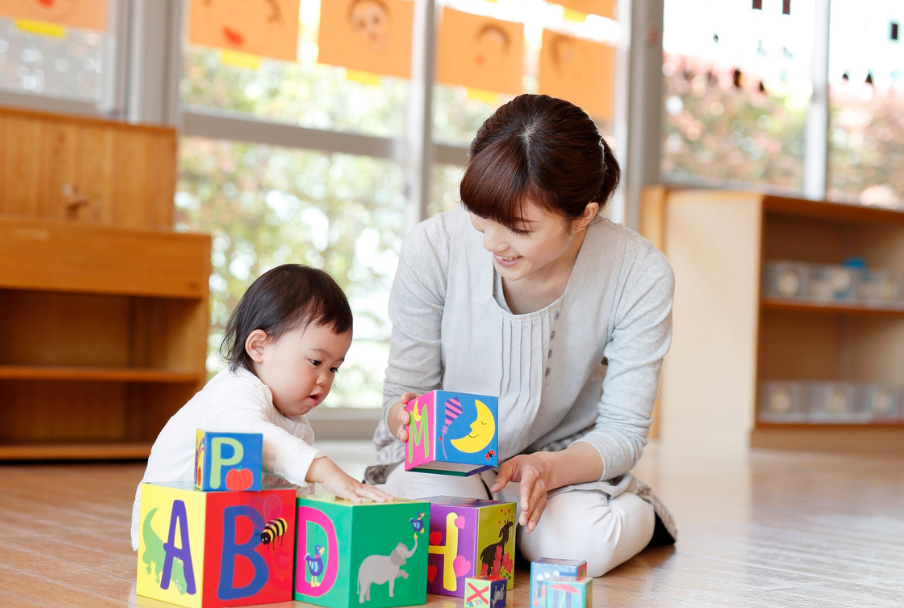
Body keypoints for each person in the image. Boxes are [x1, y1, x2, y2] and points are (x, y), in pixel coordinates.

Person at [367, 94, 678, 577]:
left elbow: (623, 429)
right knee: (432, 524)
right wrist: (404, 419)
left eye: (518, 228)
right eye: (480, 216)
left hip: (559, 466)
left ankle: (637, 511)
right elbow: (400, 396)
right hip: (449, 465)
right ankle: (509, 530)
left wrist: (551, 469)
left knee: (579, 550)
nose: (492, 242)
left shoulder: (639, 273)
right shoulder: (434, 246)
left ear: (583, 216)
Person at [131, 264, 391, 550]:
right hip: (169, 531)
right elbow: (250, 439)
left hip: (230, 536)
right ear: (259, 347)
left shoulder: (297, 426)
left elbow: (294, 496)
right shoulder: (236, 390)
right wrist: (324, 469)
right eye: (316, 362)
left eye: (334, 369)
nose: (324, 379)